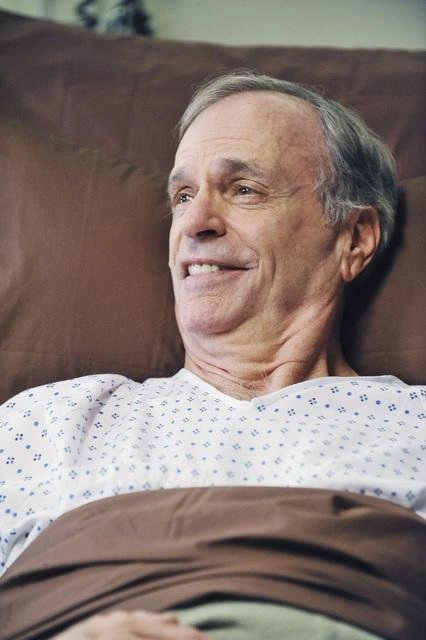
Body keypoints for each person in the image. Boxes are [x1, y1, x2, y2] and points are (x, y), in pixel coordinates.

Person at [0, 71, 425, 640]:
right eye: (182, 196)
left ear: (354, 239)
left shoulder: (417, 425)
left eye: (243, 189)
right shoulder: (49, 421)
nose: (194, 224)